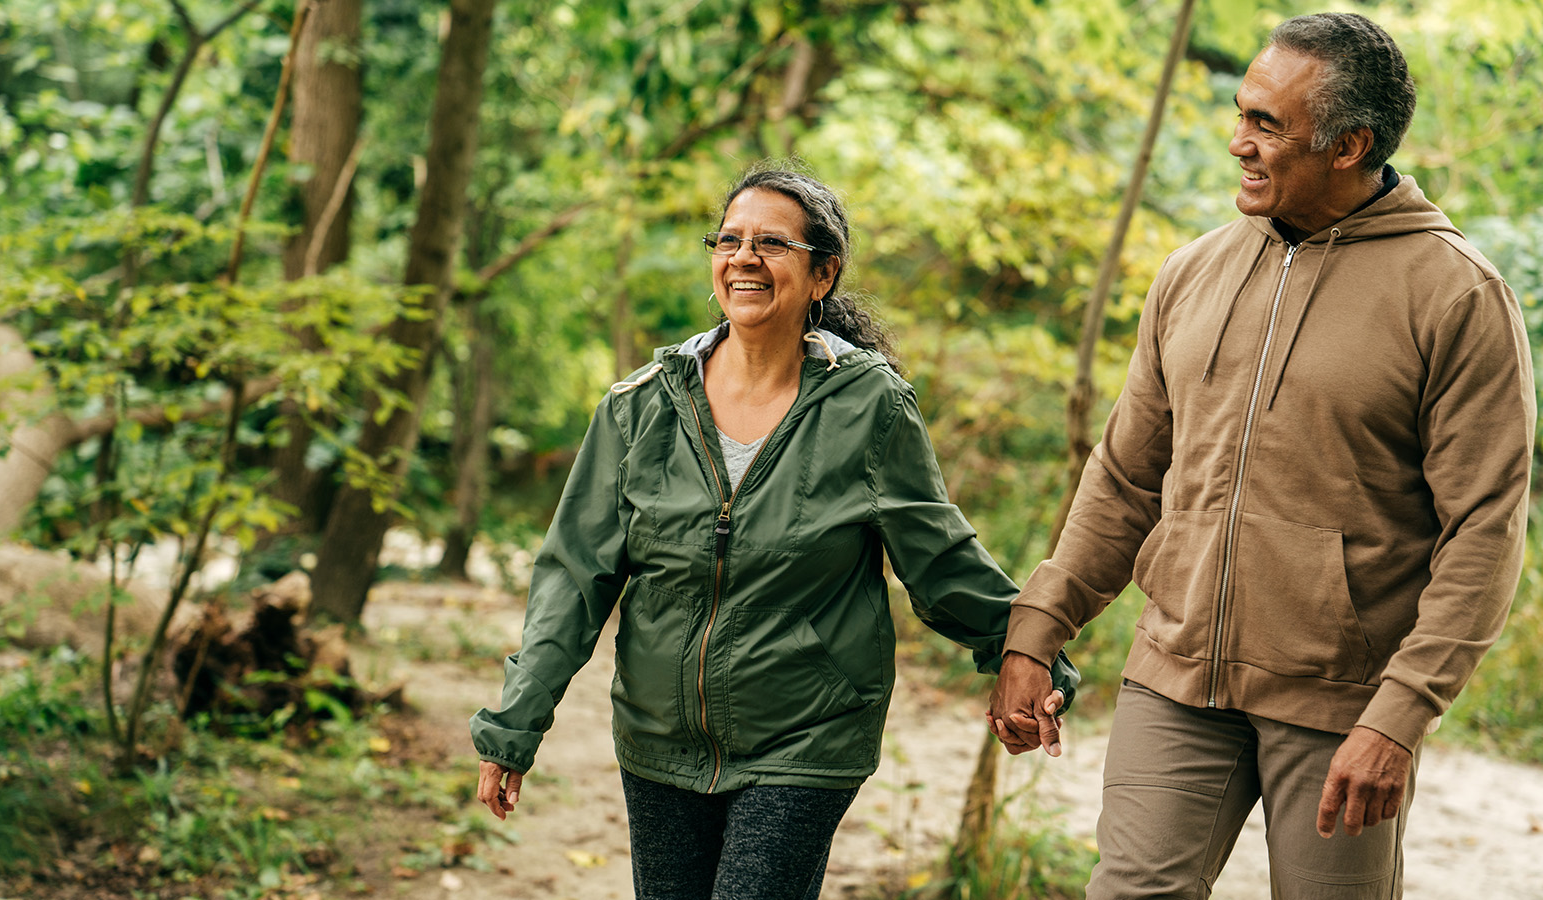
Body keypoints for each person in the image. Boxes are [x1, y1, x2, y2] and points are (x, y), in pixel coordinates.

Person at [987, 12, 1534, 899]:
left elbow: (1484, 532)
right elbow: (1127, 478)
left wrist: (1399, 716)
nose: (1238, 142)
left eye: (1267, 125)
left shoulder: (1456, 297)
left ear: (1350, 144)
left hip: (1340, 705)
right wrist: (1039, 626)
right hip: (1175, 678)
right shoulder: (1191, 273)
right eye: (1243, 113)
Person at [472, 165, 1078, 900]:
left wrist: (1031, 653)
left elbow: (941, 559)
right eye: (728, 240)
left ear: (822, 274)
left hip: (806, 736)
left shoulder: (868, 405)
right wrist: (516, 722)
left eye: (771, 244)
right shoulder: (641, 406)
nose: (743, 257)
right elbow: (573, 579)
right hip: (658, 738)